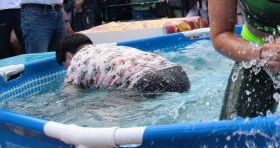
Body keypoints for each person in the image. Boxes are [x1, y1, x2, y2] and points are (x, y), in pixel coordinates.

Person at [57, 33, 190, 92]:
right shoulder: (107, 48)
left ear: (69, 56)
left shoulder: (75, 63)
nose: (67, 70)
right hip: (178, 73)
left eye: (65, 66)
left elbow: (71, 97)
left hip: (146, 81)